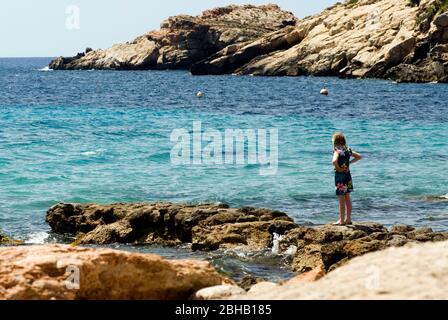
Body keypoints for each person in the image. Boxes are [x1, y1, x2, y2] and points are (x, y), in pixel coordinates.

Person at [332, 132, 362, 226]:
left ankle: (341, 221)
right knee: (347, 197)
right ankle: (348, 219)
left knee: (341, 198)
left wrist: (338, 168)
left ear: (335, 142)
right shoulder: (348, 150)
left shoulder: (337, 151)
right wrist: (349, 163)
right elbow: (359, 156)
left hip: (340, 177)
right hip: (347, 175)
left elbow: (334, 161)